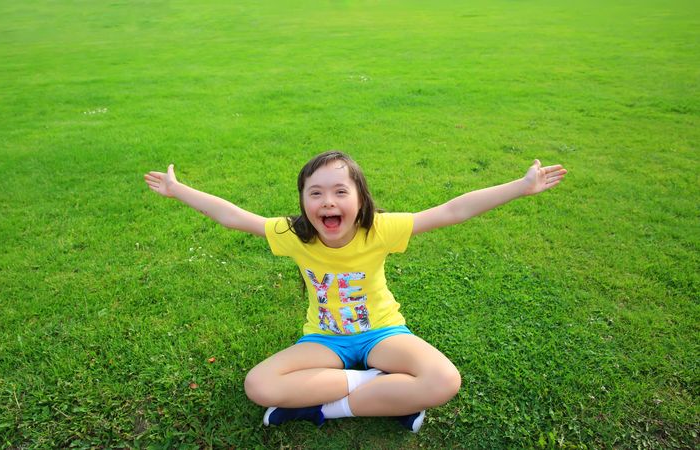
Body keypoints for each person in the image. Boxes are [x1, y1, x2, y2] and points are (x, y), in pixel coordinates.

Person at [144, 151, 567, 432]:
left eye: (340, 191)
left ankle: (323, 408)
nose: (328, 201)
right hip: (323, 340)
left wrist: (520, 186)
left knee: (444, 380)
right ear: (304, 203)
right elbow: (235, 217)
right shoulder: (294, 234)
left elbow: (453, 210)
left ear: (361, 201)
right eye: (316, 193)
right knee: (259, 385)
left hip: (383, 333)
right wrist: (178, 189)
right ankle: (387, 391)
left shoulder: (378, 229)